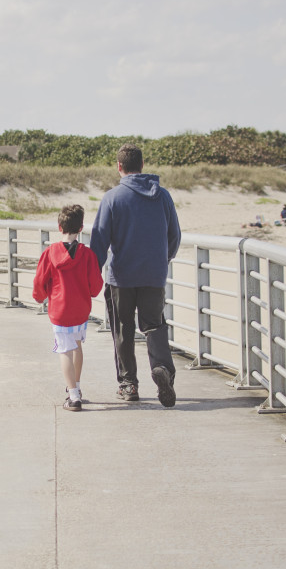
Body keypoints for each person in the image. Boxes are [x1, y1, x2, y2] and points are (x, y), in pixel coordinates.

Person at [89, 144, 181, 407]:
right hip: (153, 274)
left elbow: (99, 241)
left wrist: (92, 273)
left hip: (121, 277)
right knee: (154, 325)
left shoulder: (112, 198)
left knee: (122, 328)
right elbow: (174, 235)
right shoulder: (162, 196)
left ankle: (128, 384)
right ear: (142, 165)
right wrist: (163, 260)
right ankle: (162, 369)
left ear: (119, 167)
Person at [32, 204, 104, 411]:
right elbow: (96, 287)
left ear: (59, 226)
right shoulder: (88, 255)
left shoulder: (50, 253)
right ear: (81, 228)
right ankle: (77, 386)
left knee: (64, 350)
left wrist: (39, 297)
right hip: (80, 309)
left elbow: (39, 281)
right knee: (77, 346)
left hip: (60, 310)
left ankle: (73, 397)